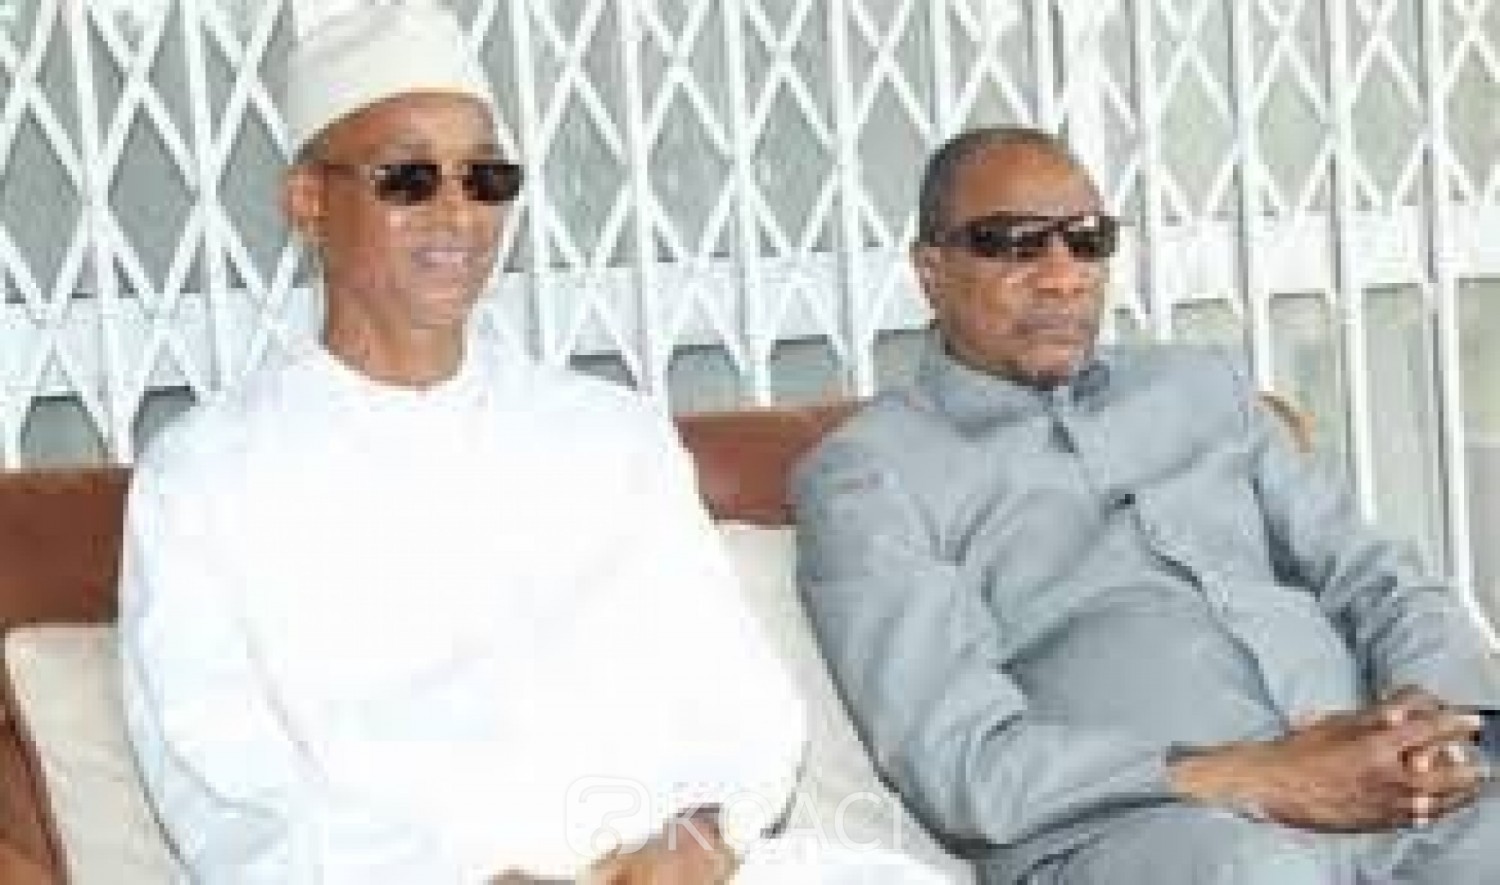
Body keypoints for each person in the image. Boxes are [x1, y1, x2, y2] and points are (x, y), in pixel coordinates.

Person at [118, 2, 812, 881]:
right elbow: (226, 797)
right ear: (308, 202)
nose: (458, 213)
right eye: (409, 178)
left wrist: (698, 838)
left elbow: (743, 698)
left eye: (485, 178)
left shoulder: (611, 434)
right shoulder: (204, 477)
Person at [791, 125, 1500, 884]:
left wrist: (1434, 721)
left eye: (1087, 241)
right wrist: (1258, 774)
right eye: (1014, 244)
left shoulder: (1203, 388)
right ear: (931, 269)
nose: (1063, 277)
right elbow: (962, 760)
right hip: (1140, 831)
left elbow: (1375, 576)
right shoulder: (871, 475)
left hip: (1376, 784)